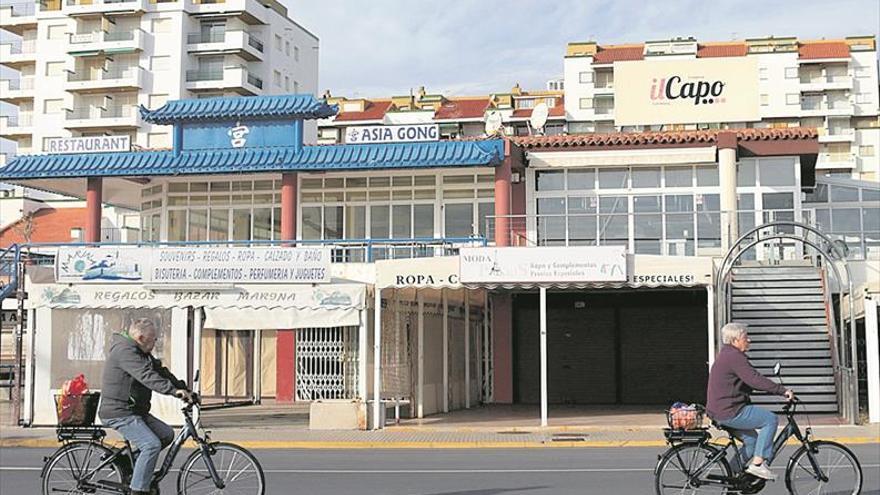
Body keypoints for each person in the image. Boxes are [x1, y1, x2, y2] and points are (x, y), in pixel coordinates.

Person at [98, 318, 191, 495]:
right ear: (141, 337)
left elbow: (160, 372)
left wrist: (183, 389)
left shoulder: (140, 351)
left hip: (134, 411)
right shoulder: (125, 352)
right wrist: (173, 392)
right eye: (153, 339)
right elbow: (147, 376)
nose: (155, 343)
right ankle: (138, 490)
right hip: (119, 412)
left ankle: (128, 463)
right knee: (151, 445)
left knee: (166, 434)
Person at [706, 322, 795, 481]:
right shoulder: (734, 357)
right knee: (770, 419)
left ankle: (732, 476)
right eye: (745, 337)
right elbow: (754, 379)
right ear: (735, 341)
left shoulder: (727, 355)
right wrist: (782, 390)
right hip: (729, 411)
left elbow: (748, 382)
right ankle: (758, 465)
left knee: (753, 442)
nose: (749, 340)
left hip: (720, 409)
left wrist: (771, 389)